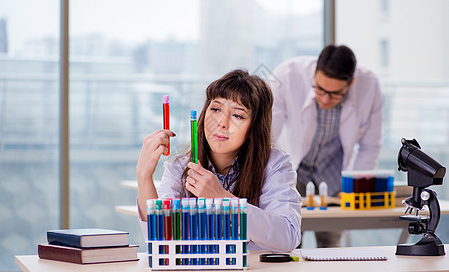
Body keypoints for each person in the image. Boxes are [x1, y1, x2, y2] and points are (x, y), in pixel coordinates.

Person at [136, 69, 302, 252]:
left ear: (254, 127)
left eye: (237, 115)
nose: (222, 123)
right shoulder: (180, 167)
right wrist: (144, 176)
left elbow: (287, 237)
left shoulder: (274, 164)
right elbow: (160, 239)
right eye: (215, 109)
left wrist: (222, 198)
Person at [271, 45, 383, 247]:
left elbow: (370, 146)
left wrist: (353, 187)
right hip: (293, 173)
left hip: (335, 179)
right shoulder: (288, 75)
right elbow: (267, 135)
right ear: (314, 74)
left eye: (335, 94)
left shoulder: (370, 85)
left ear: (351, 83)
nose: (325, 98)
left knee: (331, 247)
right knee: (290, 244)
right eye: (320, 89)